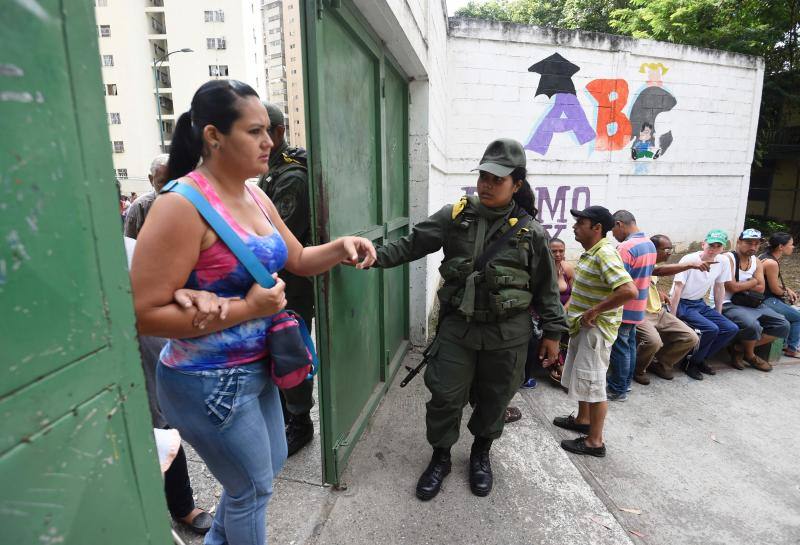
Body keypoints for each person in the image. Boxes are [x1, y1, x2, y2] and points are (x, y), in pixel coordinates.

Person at [131, 79, 376, 545]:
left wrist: (341, 246)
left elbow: (298, 258)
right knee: (250, 489)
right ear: (213, 136)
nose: (269, 141)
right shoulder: (181, 206)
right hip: (206, 379)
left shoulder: (256, 195)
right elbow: (144, 314)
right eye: (255, 131)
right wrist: (246, 308)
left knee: (271, 464)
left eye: (269, 130)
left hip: (257, 368)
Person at [372, 138, 567, 500]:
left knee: (495, 400)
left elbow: (546, 290)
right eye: (484, 176)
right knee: (444, 397)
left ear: (516, 184)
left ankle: (481, 454)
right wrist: (371, 256)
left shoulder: (532, 232)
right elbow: (412, 244)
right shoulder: (455, 216)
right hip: (458, 330)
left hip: (507, 335)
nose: (487, 185)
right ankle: (441, 457)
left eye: (498, 179)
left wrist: (554, 334)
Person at [552, 206, 637, 457]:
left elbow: (628, 290)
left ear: (597, 228)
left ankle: (594, 442)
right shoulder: (593, 252)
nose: (574, 227)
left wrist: (594, 311)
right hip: (584, 329)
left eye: (581, 223)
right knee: (585, 378)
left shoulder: (605, 254)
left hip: (595, 332)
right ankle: (582, 420)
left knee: (595, 383)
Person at [256, 102, 315, 457]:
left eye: (263, 131)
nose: (259, 140)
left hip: (292, 283)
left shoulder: (292, 176)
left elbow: (279, 239)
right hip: (275, 283)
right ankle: (283, 416)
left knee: (291, 351)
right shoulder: (272, 171)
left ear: (278, 132)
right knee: (276, 353)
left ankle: (300, 422)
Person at [669, 229, 739, 380]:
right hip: (682, 302)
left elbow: (719, 287)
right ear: (703, 244)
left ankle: (699, 359)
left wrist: (718, 313)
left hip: (699, 303)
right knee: (711, 329)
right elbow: (677, 289)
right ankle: (690, 363)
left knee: (730, 328)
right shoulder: (689, 259)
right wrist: (672, 316)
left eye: (718, 246)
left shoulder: (723, 261)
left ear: (723, 248)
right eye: (711, 245)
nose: (714, 249)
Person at [718, 229, 789, 372]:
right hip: (727, 303)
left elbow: (761, 288)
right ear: (739, 242)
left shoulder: (756, 261)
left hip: (752, 303)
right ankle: (750, 355)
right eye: (749, 243)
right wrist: (753, 281)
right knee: (753, 325)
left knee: (783, 324)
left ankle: (739, 348)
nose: (753, 247)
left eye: (756, 244)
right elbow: (731, 286)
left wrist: (746, 285)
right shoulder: (728, 258)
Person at [633, 235, 701, 383]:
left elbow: (650, 281)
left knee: (691, 337)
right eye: (666, 249)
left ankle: (660, 364)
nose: (669, 252)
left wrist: (658, 292)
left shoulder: (654, 267)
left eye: (671, 249)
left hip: (659, 312)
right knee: (653, 341)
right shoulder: (642, 265)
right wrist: (690, 264)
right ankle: (637, 369)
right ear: (653, 249)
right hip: (641, 313)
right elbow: (658, 272)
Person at [606, 210, 656, 401]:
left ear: (619, 224)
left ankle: (617, 389)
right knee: (629, 346)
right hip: (639, 305)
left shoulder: (626, 248)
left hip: (624, 307)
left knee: (620, 347)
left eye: (613, 230)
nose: (613, 235)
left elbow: (617, 282)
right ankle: (625, 385)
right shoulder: (649, 244)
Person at [759, 232, 800, 358]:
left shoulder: (764, 256)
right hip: (765, 300)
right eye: (791, 245)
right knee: (798, 317)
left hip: (763, 297)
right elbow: (775, 290)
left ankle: (787, 343)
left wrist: (786, 288)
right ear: (781, 247)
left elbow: (771, 283)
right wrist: (786, 293)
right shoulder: (771, 263)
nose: (793, 247)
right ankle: (792, 348)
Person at [541, 237, 573, 387]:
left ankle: (560, 364)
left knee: (566, 330)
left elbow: (574, 293)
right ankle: (557, 365)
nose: (558, 254)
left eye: (561, 251)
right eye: (554, 251)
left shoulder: (568, 268)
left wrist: (564, 309)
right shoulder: (541, 269)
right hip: (546, 313)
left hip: (564, 310)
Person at [124, 154, 169, 239]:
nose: (170, 186)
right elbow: (130, 243)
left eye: (174, 180)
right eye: (163, 182)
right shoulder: (139, 206)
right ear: (151, 179)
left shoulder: (186, 203)